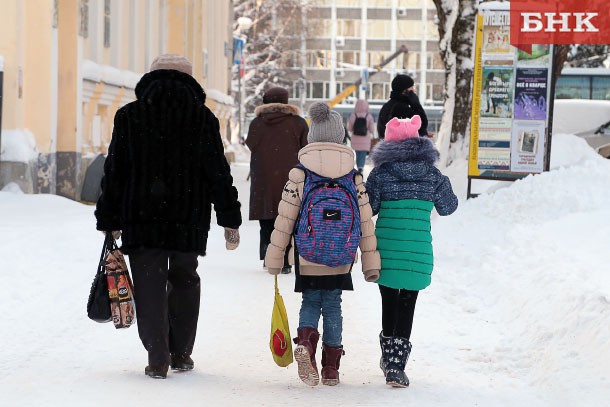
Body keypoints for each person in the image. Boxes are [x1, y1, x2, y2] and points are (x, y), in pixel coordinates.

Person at [95, 54, 242, 379]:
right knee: (185, 279)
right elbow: (218, 171)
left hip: (141, 215)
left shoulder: (129, 115)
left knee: (148, 284)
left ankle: (157, 356)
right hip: (188, 217)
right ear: (190, 81)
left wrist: (109, 217)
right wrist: (229, 217)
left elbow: (115, 171)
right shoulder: (202, 118)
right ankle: (181, 352)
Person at [265, 102, 381, 387]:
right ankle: (331, 368)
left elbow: (285, 218)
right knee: (333, 306)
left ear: (312, 136)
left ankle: (305, 342)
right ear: (341, 136)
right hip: (341, 254)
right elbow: (365, 222)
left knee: (310, 301)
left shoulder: (300, 173)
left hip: (308, 253)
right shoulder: (353, 176)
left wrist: (276, 257)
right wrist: (370, 263)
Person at [365, 115, 458, 388]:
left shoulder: (381, 174)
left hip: (387, 248)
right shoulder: (432, 174)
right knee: (408, 302)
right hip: (417, 250)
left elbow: (368, 208)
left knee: (389, 300)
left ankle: (387, 355)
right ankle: (396, 364)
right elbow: (448, 206)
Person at [246, 87, 308, 273]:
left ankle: (268, 256)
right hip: (291, 178)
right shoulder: (298, 123)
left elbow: (250, 144)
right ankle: (287, 261)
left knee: (267, 218)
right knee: (289, 218)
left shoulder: (257, 123)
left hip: (264, 179)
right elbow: (306, 148)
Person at [377, 74, 429, 139]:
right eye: (411, 87)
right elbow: (422, 125)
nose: (414, 90)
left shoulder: (387, 106)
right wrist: (416, 104)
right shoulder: (402, 108)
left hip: (389, 147)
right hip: (402, 148)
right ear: (405, 91)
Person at [347, 99, 376, 173]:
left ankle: (358, 166)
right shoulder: (369, 116)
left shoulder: (353, 115)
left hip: (355, 138)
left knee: (357, 153)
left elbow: (349, 128)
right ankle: (361, 167)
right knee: (363, 154)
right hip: (365, 139)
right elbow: (372, 129)